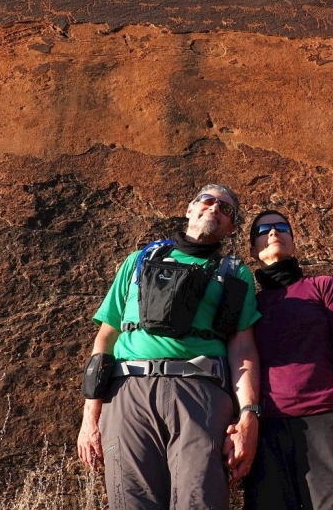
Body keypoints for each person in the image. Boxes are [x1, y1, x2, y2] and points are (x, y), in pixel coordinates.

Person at [76, 184, 262, 510]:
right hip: (126, 394)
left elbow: (242, 348)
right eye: (207, 200)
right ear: (189, 209)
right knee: (131, 500)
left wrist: (249, 416)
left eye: (226, 209)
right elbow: (106, 337)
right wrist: (90, 416)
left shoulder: (235, 274)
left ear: (231, 227)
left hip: (201, 394)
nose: (215, 209)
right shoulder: (138, 261)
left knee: (200, 500)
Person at [243, 210, 333, 510]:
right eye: (264, 230)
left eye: (281, 227)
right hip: (266, 428)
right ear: (253, 250)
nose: (274, 233)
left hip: (322, 421)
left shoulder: (322, 286)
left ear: (294, 242)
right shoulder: (250, 303)